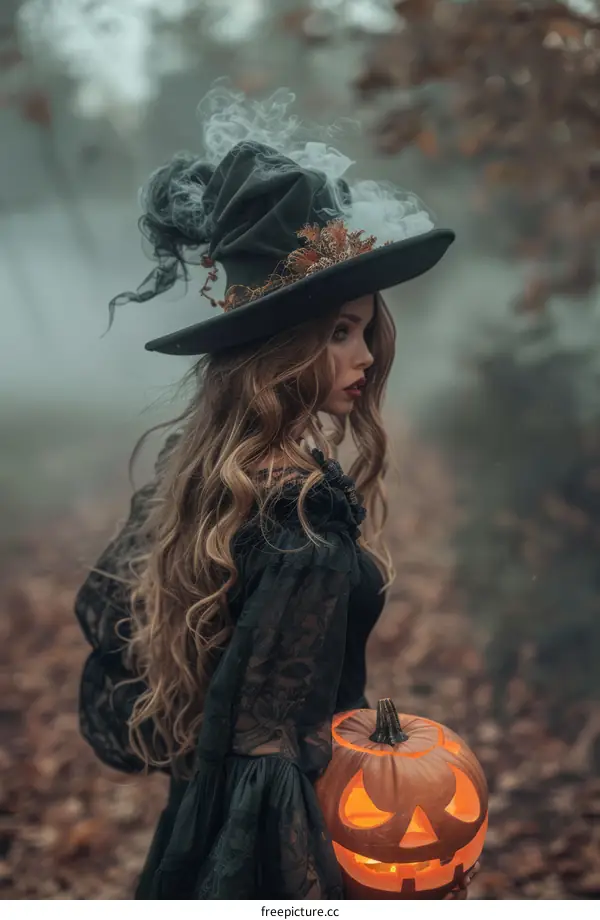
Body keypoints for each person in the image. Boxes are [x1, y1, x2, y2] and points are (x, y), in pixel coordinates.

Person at [74, 88, 478, 899]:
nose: (363, 355)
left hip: (198, 808)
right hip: (267, 848)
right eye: (337, 332)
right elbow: (270, 763)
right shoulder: (305, 532)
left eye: (363, 327)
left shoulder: (210, 477)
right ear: (276, 353)